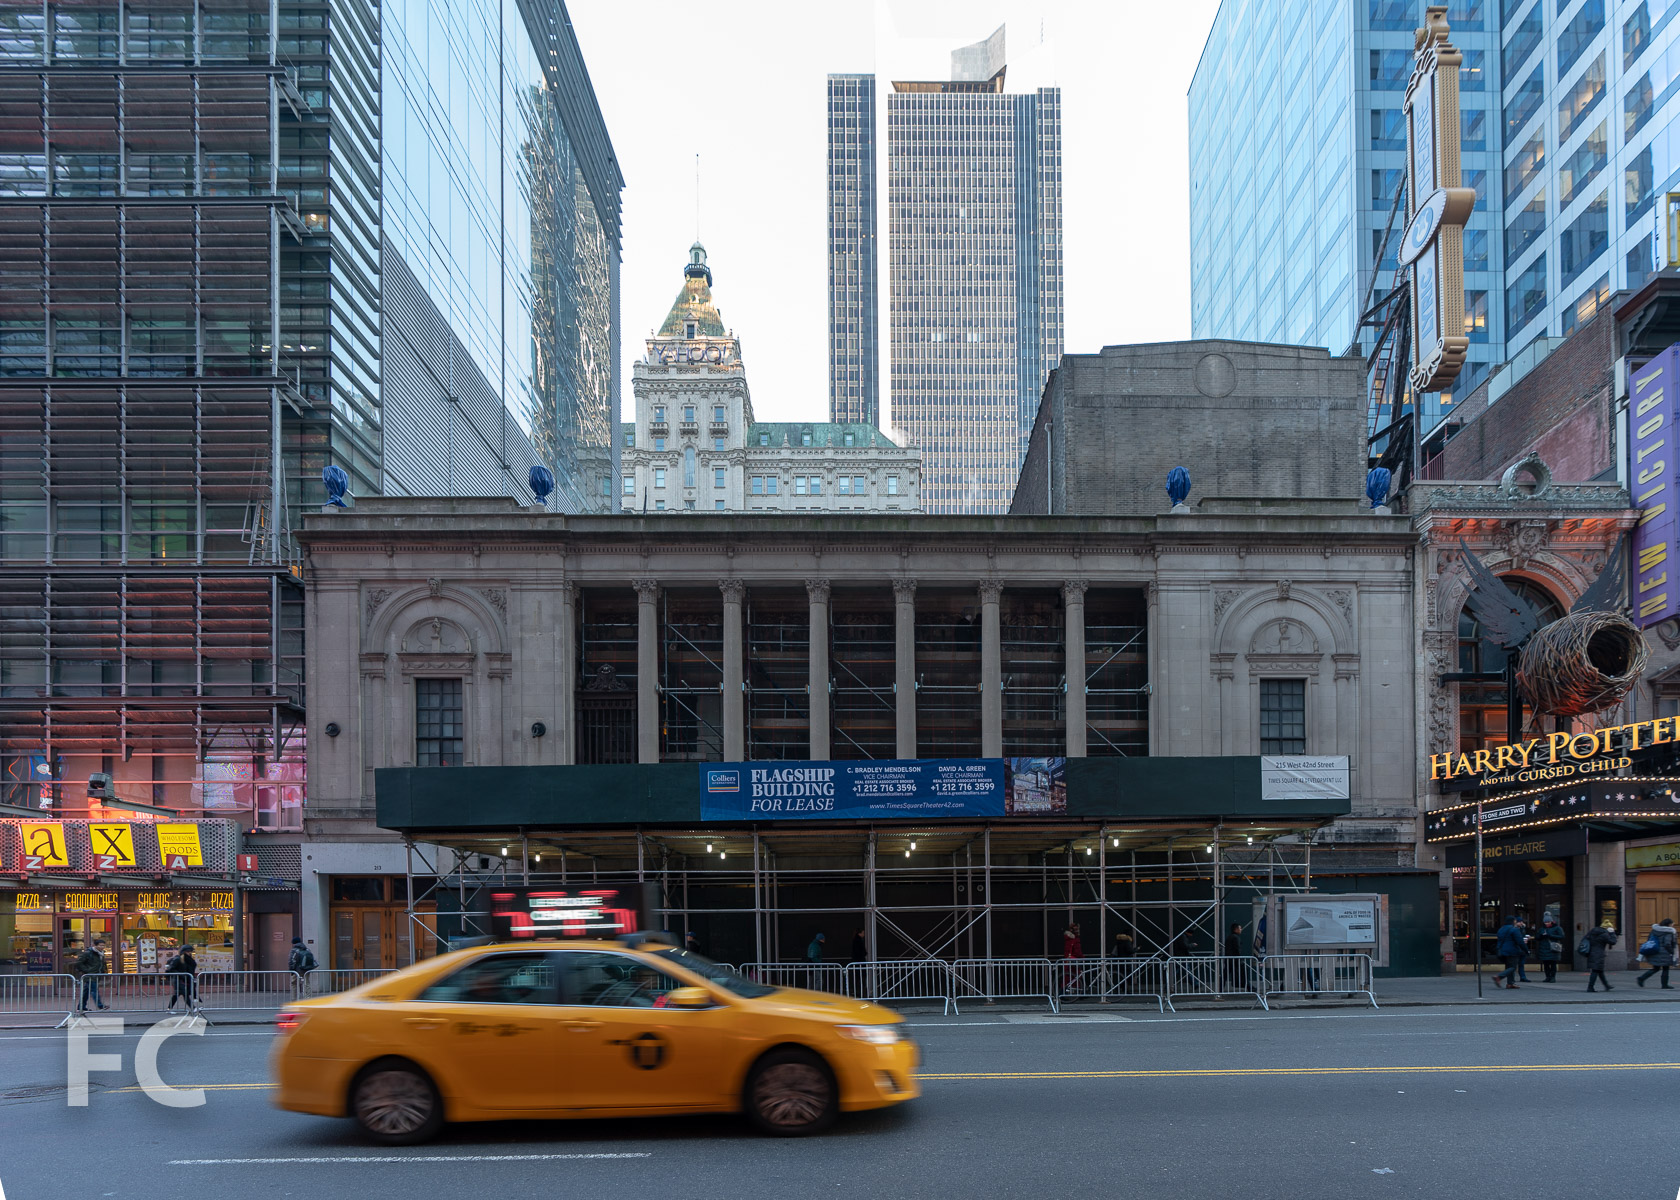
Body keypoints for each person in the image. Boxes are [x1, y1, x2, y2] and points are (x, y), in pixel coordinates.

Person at [1636, 917, 1677, 989]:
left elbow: (1649, 939)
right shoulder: (1669, 932)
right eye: (1672, 924)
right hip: (1664, 953)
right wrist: (1672, 951)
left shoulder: (1654, 930)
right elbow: (1667, 944)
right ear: (1669, 924)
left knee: (1656, 968)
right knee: (1665, 968)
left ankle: (1642, 978)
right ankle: (1664, 985)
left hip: (1655, 951)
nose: (1673, 925)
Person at [73, 939, 109, 1011]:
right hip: (90, 975)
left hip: (96, 974)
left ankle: (81, 1007)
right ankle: (100, 1005)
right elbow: (79, 963)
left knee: (86, 992)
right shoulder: (88, 953)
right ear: (95, 945)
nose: (102, 947)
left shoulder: (101, 953)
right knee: (94, 990)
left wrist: (103, 971)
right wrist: (87, 971)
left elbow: (101, 964)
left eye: (103, 945)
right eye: (100, 945)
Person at [1493, 916, 1525, 989]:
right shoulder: (1514, 929)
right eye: (1515, 921)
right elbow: (1520, 941)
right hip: (1512, 951)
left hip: (1502, 950)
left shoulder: (1501, 929)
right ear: (1513, 921)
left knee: (1509, 966)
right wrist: (1526, 950)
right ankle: (1499, 977)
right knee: (1513, 967)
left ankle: (1510, 983)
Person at [1586, 922, 1618, 992]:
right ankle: (1590, 987)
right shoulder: (1604, 934)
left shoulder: (1593, 931)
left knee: (1599, 970)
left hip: (1591, 952)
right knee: (1595, 970)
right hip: (1598, 954)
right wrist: (1612, 933)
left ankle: (1606, 985)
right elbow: (1613, 941)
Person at [164, 945, 198, 1011]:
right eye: (187, 951)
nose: (189, 953)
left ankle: (169, 1008)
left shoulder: (187, 960)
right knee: (184, 993)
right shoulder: (178, 959)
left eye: (190, 951)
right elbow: (171, 969)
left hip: (182, 979)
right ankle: (193, 1008)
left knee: (177, 994)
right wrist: (181, 974)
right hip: (177, 979)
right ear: (183, 952)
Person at [1534, 913, 1566, 983]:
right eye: (1545, 922)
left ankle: (1552, 977)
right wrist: (1541, 936)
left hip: (1553, 948)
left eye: (1548, 922)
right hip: (1543, 949)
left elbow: (1562, 936)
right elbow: (1537, 937)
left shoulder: (1557, 928)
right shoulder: (1542, 929)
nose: (1547, 923)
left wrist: (1550, 935)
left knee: (1553, 964)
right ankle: (1547, 977)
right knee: (1546, 964)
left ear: (1551, 921)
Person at [1221, 922, 1245, 992]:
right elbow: (1237, 949)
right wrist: (1239, 958)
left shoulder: (1230, 937)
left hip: (1229, 959)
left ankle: (1220, 988)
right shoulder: (1235, 937)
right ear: (1236, 929)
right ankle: (1249, 987)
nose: (1241, 929)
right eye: (1240, 928)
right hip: (1234, 960)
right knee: (1241, 974)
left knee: (1225, 975)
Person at [1062, 923, 1083, 990]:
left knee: (1067, 977)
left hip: (1068, 960)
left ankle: (1062, 993)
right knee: (1077, 976)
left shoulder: (1068, 939)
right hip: (1073, 960)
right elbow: (1077, 951)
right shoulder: (1075, 940)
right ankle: (1080, 992)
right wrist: (1082, 958)